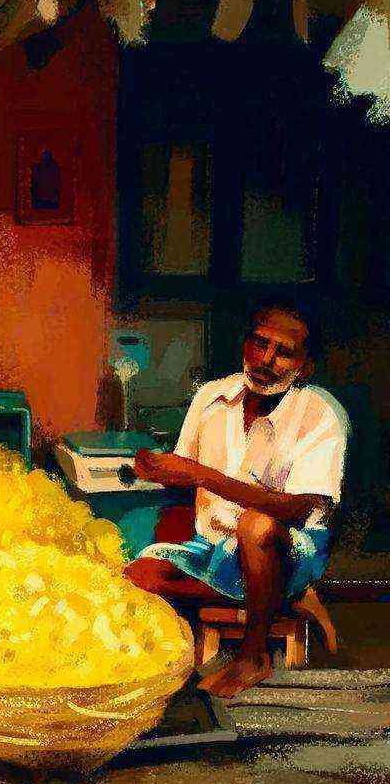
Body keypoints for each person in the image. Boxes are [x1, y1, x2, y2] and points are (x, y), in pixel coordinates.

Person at [125, 299, 348, 698]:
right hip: (215, 545)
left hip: (288, 547)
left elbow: (298, 509)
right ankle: (283, 598)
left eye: (283, 352)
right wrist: (156, 469)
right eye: (260, 343)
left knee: (256, 525)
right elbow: (184, 478)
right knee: (135, 575)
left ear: (305, 366)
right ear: (246, 343)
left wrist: (200, 475)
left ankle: (254, 654)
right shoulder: (211, 397)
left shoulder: (321, 414)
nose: (265, 360)